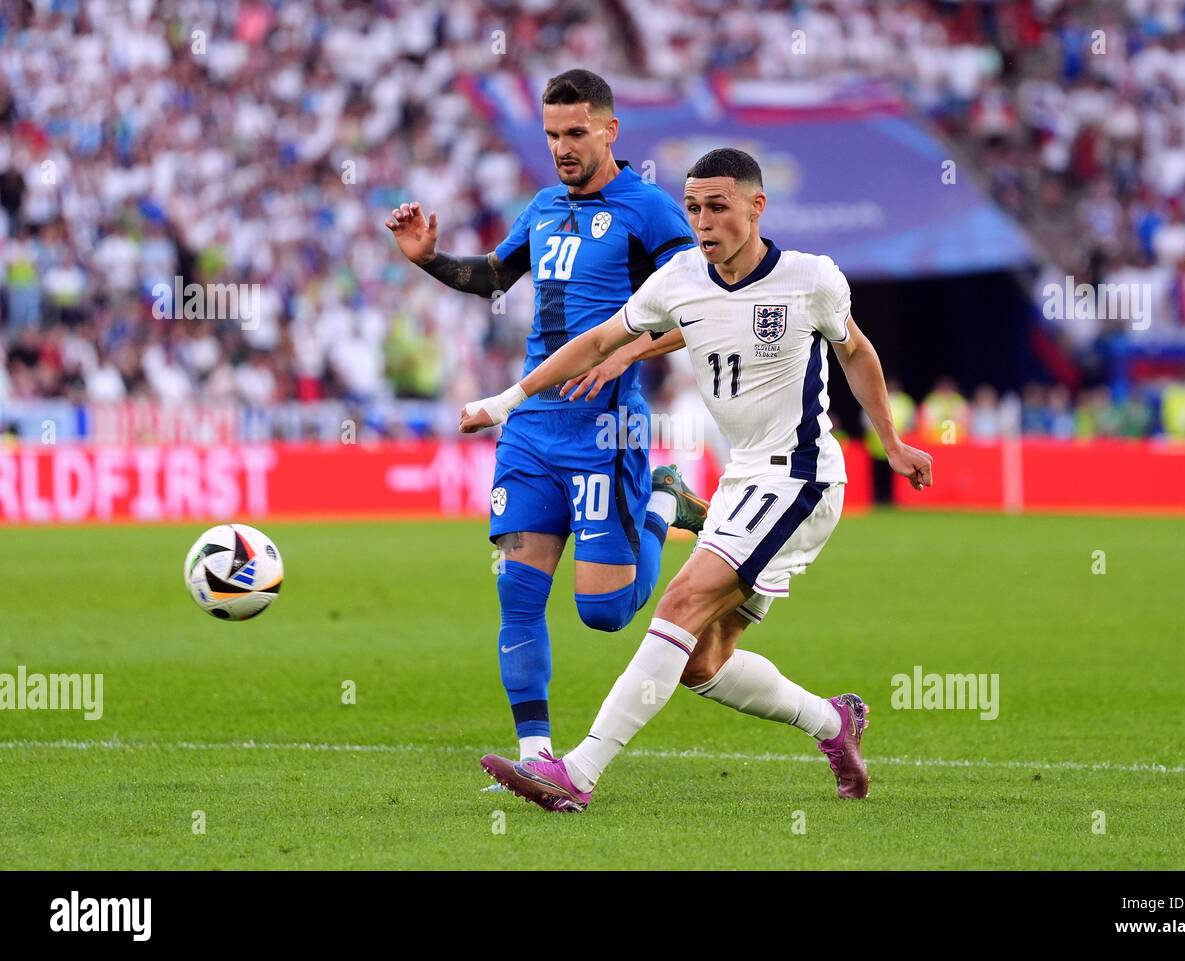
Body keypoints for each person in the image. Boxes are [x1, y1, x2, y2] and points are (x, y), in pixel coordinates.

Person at [462, 148, 934, 810]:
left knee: (679, 601)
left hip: (800, 479)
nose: (703, 221)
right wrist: (509, 399)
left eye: (717, 206)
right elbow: (601, 340)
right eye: (693, 208)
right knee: (701, 660)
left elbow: (856, 351)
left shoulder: (810, 279)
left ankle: (578, 771)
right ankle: (834, 722)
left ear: (755, 206)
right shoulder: (681, 278)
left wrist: (890, 441)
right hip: (745, 481)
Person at [386, 69, 707, 765]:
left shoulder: (650, 211)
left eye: (575, 133)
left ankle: (660, 498)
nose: (562, 147)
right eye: (553, 133)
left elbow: (703, 304)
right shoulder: (542, 207)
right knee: (518, 595)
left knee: (605, 612)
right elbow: (495, 279)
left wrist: (630, 355)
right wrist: (431, 260)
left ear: (609, 130)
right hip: (531, 430)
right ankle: (536, 756)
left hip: (607, 432)